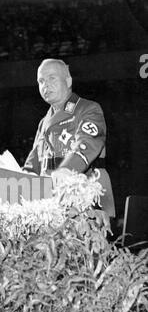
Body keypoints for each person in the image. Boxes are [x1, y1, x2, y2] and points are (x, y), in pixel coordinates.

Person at [23, 58, 115, 218]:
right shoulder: (43, 122)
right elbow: (34, 161)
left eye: (52, 78)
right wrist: (25, 177)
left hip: (83, 195)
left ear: (68, 80)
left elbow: (87, 142)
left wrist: (67, 169)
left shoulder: (88, 108)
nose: (45, 85)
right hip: (48, 202)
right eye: (41, 81)